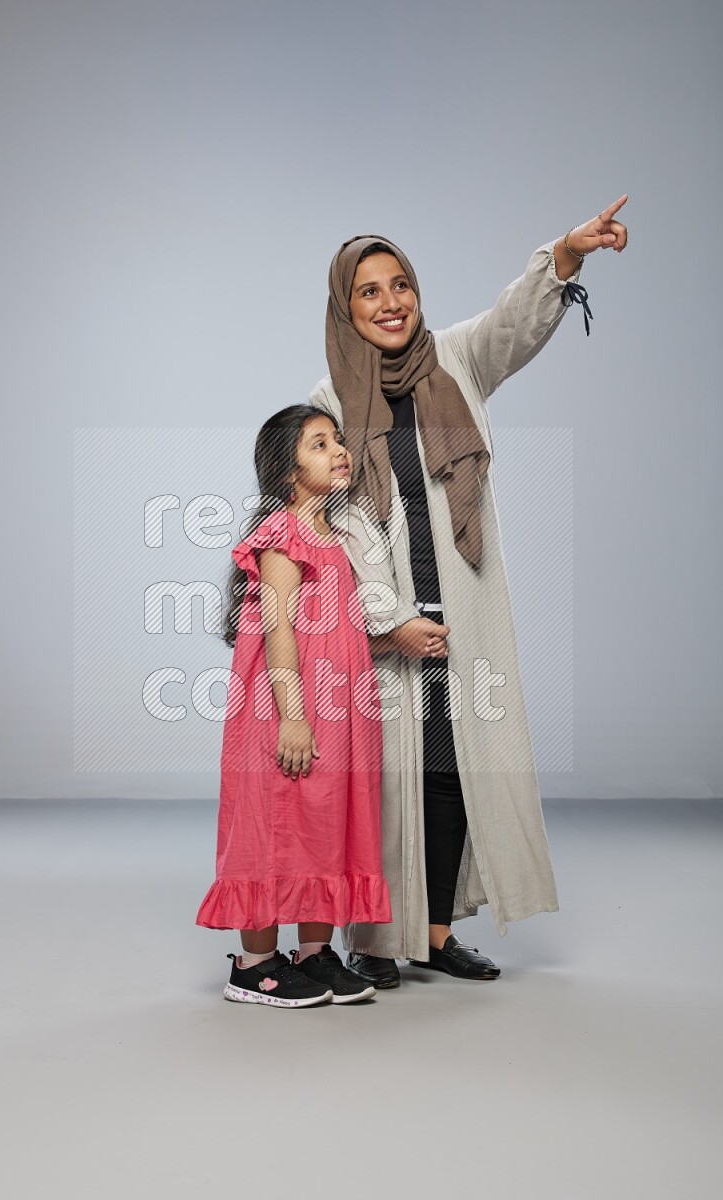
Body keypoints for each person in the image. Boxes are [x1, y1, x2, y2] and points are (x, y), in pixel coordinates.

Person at [310, 197, 629, 988]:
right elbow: (343, 526)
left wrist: (564, 253)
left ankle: (437, 933)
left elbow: (513, 323)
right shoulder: (328, 401)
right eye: (369, 291)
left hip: (467, 615)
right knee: (388, 781)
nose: (390, 304)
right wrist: (390, 622)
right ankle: (378, 941)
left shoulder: (456, 359)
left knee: (455, 770)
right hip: (389, 629)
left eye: (400, 285)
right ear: (345, 307)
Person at [196, 404, 394, 1007]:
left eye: (337, 440)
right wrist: (292, 714)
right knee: (269, 821)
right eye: (318, 444)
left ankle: (314, 954)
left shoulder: (335, 537)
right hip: (291, 704)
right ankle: (253, 965)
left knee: (323, 820)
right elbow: (280, 628)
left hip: (337, 706)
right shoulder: (282, 533)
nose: (338, 451)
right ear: (287, 471)